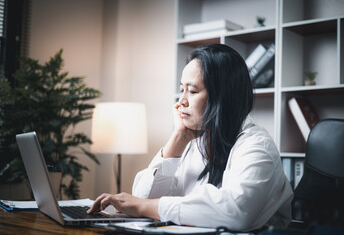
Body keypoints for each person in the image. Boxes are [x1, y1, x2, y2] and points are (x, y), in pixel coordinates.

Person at [87, 44, 293, 232]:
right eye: (181, 90)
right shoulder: (195, 140)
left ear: (223, 97)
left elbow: (236, 212)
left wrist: (143, 206)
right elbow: (142, 200)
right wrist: (178, 137)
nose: (181, 101)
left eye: (192, 91)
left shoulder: (257, 145)